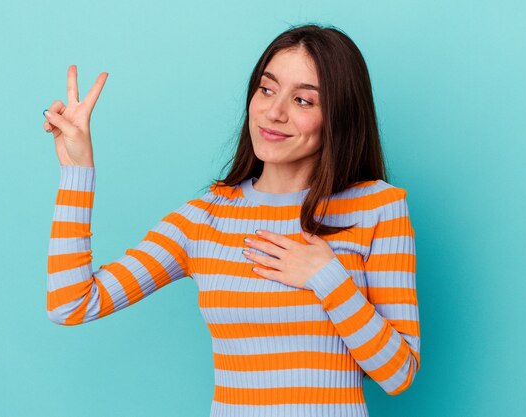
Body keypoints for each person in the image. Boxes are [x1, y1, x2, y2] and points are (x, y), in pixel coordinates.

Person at [43, 23, 420, 417]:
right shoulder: (205, 219)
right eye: (267, 89)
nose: (274, 113)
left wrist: (327, 278)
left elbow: (398, 374)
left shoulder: (377, 208)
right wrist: (77, 173)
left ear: (338, 116)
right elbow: (71, 303)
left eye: (303, 101)